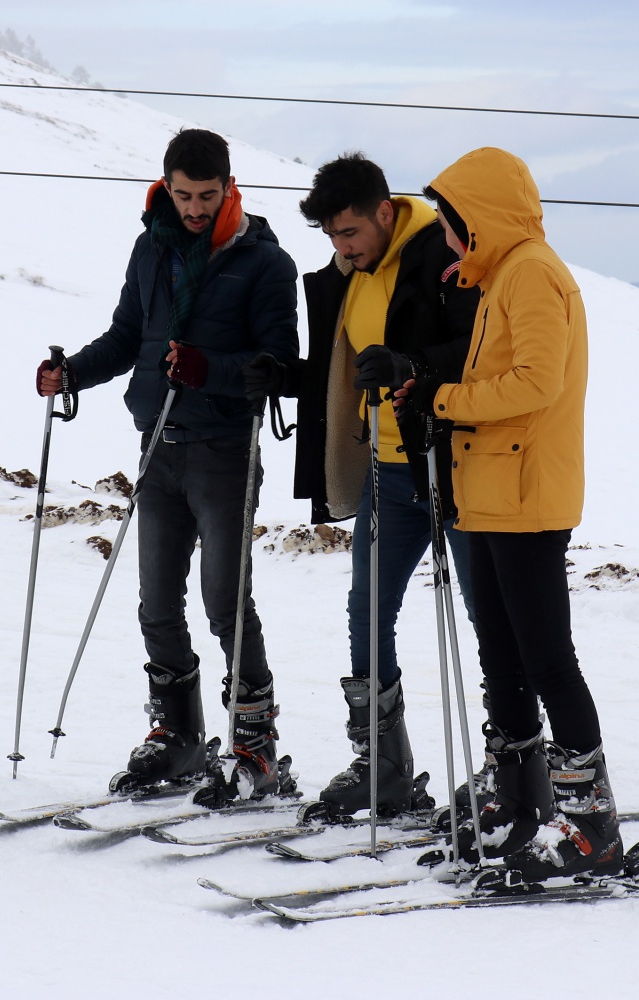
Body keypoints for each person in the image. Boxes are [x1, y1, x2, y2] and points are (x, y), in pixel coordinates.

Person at [36, 128, 299, 800]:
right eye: (183, 194)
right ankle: (178, 739)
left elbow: (280, 368)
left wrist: (210, 370)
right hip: (159, 446)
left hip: (223, 453)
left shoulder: (266, 263)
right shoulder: (151, 247)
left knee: (223, 603)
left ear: (229, 187)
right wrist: (70, 375)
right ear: (166, 186)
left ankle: (255, 747)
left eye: (207, 195)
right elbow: (130, 337)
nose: (194, 208)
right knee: (156, 606)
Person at [394, 146, 621, 879]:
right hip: (491, 494)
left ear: (480, 217)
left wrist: (442, 400)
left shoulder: (531, 273)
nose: (449, 241)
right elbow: (500, 373)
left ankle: (590, 825)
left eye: (455, 225)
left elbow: (535, 381)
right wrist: (434, 385)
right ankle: (519, 799)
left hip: (525, 497)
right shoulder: (503, 277)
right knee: (503, 654)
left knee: (547, 659)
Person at [242, 153, 477, 818]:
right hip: (387, 467)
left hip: (454, 464)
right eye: (331, 237)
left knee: (488, 618)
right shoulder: (348, 275)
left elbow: (478, 344)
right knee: (368, 613)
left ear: (384, 211)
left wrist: (413, 364)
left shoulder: (439, 255)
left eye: (349, 233)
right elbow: (346, 371)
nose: (342, 247)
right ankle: (384, 764)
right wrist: (283, 375)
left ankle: (512, 766)